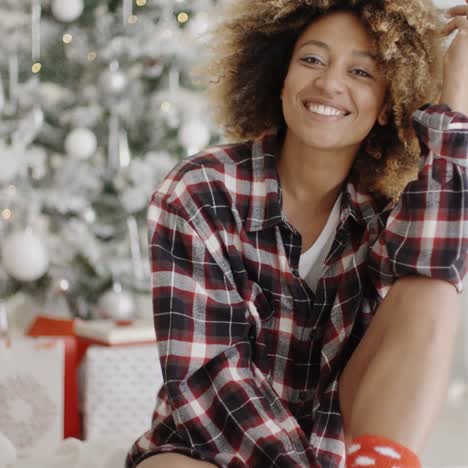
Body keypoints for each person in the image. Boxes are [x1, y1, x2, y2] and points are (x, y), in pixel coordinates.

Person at [127, 0, 468, 466]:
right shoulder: (200, 191)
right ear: (281, 77)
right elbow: (210, 379)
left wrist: (455, 101)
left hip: (342, 453)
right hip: (206, 450)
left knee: (431, 284)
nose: (330, 83)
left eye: (361, 73)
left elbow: (440, 257)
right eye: (312, 59)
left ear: (388, 106)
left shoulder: (390, 213)